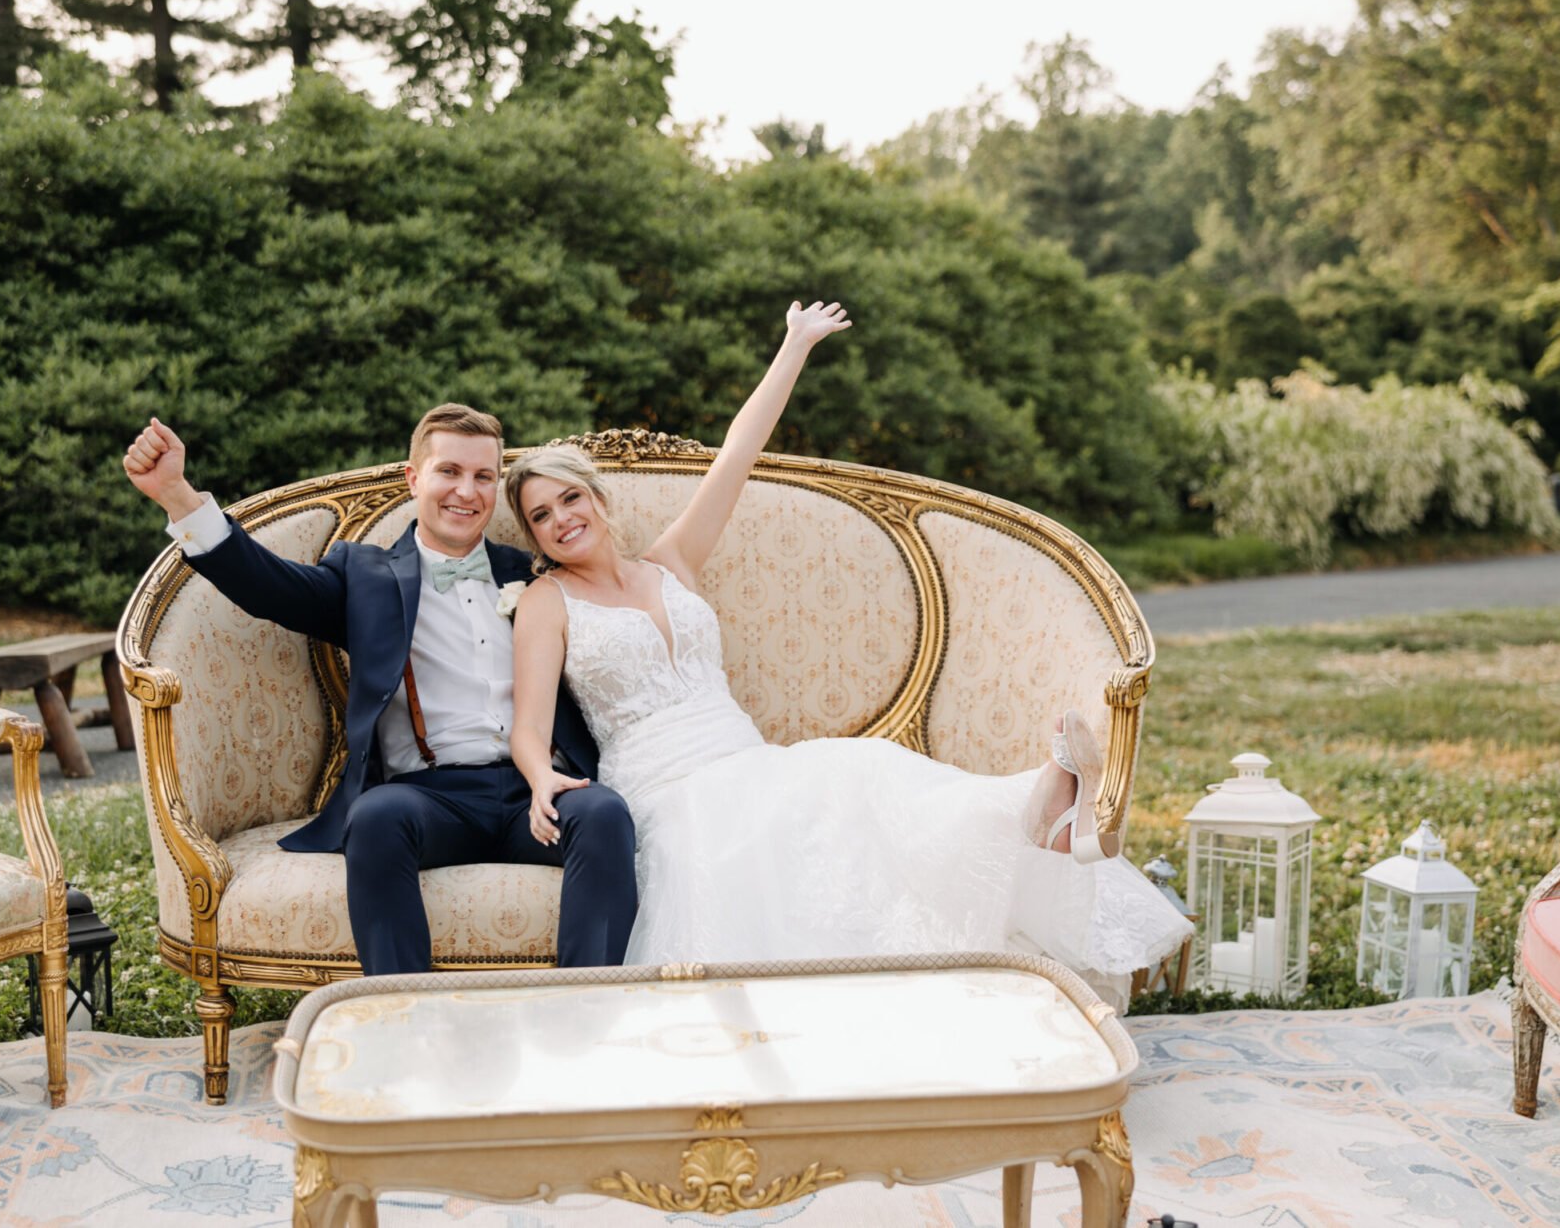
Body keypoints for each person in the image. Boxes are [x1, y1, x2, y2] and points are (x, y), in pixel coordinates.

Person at [504, 303, 1191, 998]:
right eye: (541, 516)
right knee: (796, 812)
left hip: (745, 761)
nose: (562, 519)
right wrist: (540, 779)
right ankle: (1034, 819)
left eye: (569, 499)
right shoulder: (547, 602)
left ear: (596, 498)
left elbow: (737, 455)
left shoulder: (670, 562)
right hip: (668, 791)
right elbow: (528, 726)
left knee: (858, 772)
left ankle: (1036, 811)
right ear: (534, 536)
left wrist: (795, 346)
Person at [121, 405, 638, 976]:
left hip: (534, 791)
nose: (467, 491)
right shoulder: (365, 575)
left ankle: (588, 1016)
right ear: (415, 479)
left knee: (604, 811)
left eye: (484, 476)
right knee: (376, 818)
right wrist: (178, 496)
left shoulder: (533, 573)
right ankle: (406, 1028)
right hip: (429, 798)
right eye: (449, 472)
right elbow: (268, 587)